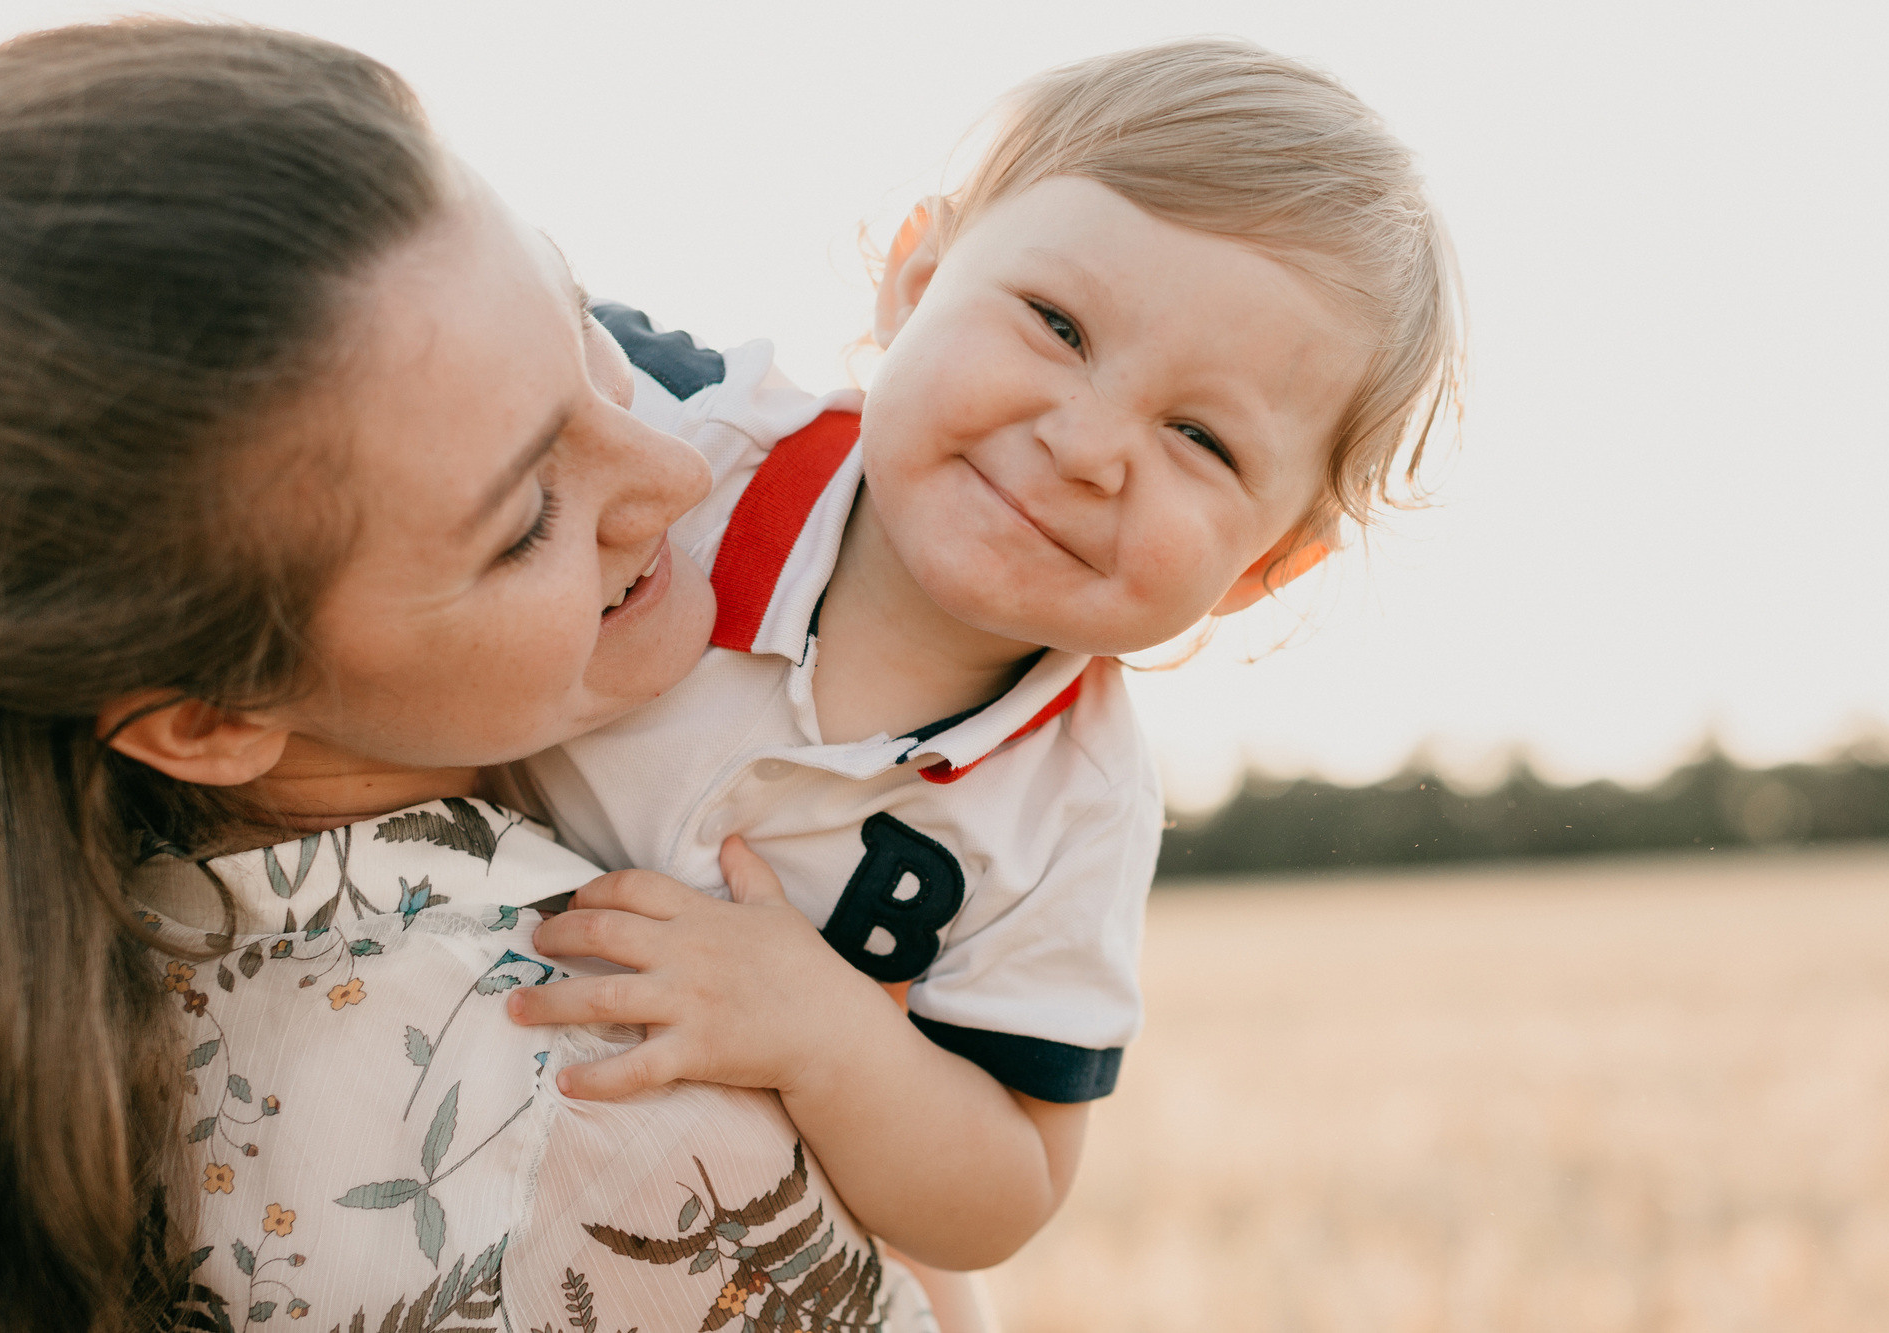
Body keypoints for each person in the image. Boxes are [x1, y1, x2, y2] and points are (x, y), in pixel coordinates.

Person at [0, 21, 931, 1333]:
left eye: (580, 321)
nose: (674, 469)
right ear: (209, 717)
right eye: (526, 516)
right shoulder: (616, 1105)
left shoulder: (91, 969)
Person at [501, 36, 1463, 1279]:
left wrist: (825, 1036)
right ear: (916, 276)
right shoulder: (670, 437)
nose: (1085, 444)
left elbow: (1005, 1189)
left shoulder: (1075, 805)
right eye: (1057, 325)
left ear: (1264, 568)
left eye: (1199, 436)